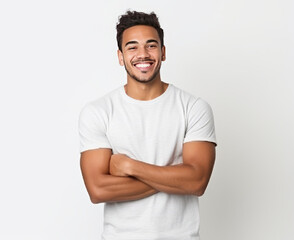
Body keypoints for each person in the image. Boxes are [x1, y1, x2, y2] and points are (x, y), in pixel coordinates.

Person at [79, 10, 217, 240]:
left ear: (163, 53)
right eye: (132, 47)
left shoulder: (193, 107)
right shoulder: (98, 112)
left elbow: (197, 181)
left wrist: (129, 167)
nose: (142, 54)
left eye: (151, 45)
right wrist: (174, 177)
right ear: (120, 56)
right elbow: (98, 190)